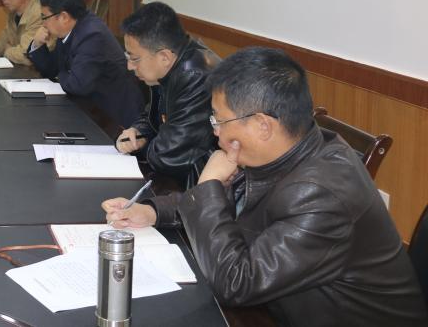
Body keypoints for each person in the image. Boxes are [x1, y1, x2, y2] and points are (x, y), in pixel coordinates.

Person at [103, 47, 427, 326]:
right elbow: (231, 199)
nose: (215, 132)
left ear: (262, 125)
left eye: (218, 120)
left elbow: (236, 283)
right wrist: (152, 211)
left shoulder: (320, 194)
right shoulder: (287, 148)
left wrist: (209, 184)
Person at [116, 2, 220, 187]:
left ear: (164, 57)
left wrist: (143, 142)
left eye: (134, 58)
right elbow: (154, 115)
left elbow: (169, 156)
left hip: (200, 185)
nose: (129, 66)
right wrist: (138, 131)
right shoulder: (170, 65)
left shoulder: (195, 77)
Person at [26, 0, 144, 127]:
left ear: (63, 17)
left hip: (114, 118)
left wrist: (58, 75)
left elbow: (78, 85)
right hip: (91, 109)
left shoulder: (92, 35)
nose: (43, 23)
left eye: (44, 17)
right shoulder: (71, 29)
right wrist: (37, 45)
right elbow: (52, 69)